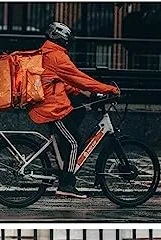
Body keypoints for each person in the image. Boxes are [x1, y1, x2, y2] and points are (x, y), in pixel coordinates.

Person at [29, 22, 120, 199]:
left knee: (73, 131)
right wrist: (109, 89)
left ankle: (64, 169)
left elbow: (61, 82)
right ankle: (67, 184)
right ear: (62, 39)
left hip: (51, 104)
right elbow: (79, 78)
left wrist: (81, 92)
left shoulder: (47, 52)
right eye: (67, 39)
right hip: (52, 108)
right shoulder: (57, 56)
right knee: (73, 143)